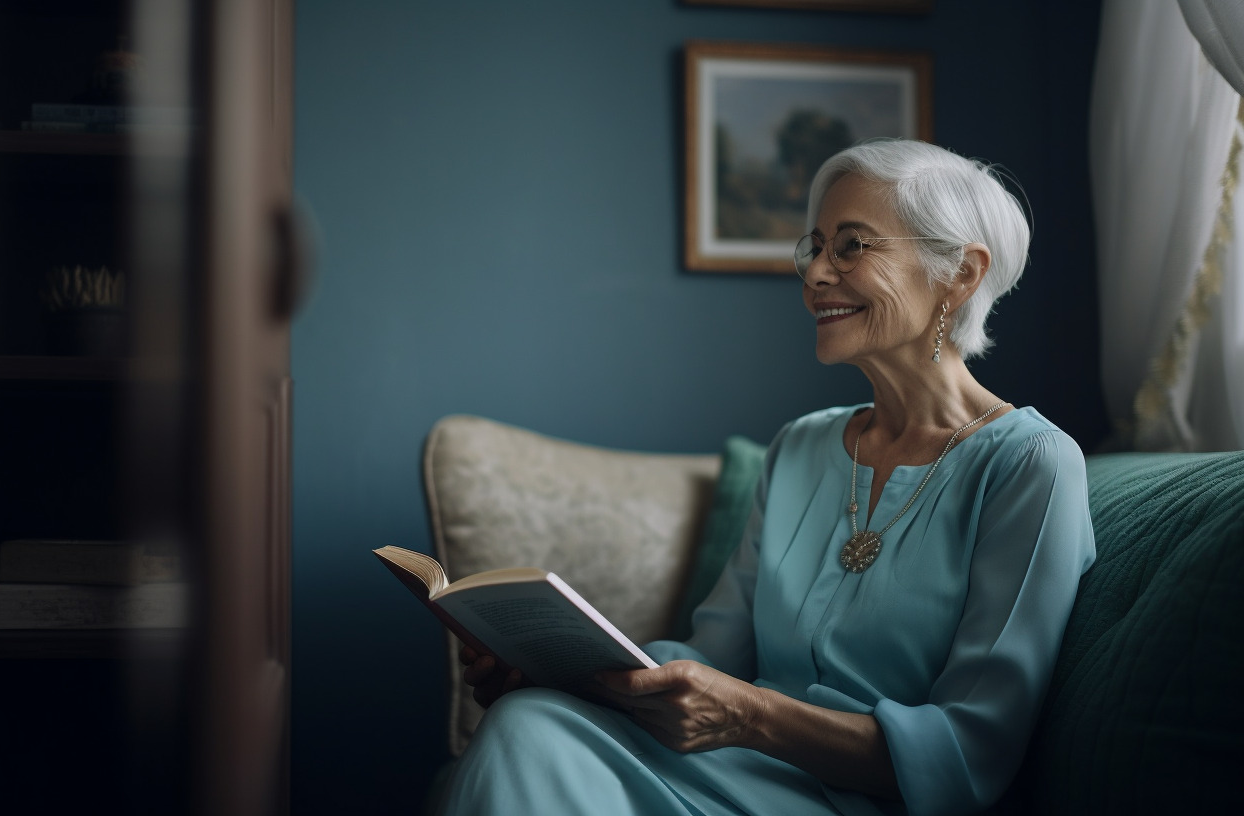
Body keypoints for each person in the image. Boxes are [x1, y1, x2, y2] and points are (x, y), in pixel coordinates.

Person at [436, 138, 1097, 816]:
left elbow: (969, 754)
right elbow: (712, 654)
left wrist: (750, 718)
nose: (815, 273)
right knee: (531, 719)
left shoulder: (1030, 465)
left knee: (527, 740)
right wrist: (562, 669)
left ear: (959, 273)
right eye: (814, 247)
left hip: (860, 800)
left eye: (851, 246)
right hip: (729, 772)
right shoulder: (801, 447)